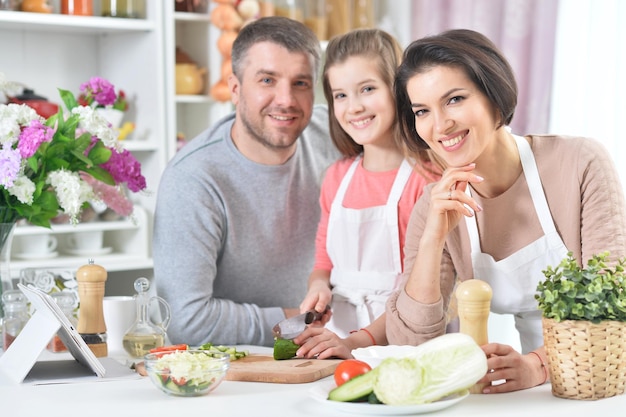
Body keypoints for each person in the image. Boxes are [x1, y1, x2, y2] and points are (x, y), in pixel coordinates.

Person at [385, 28, 626, 393]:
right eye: (422, 110)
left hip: (604, 376)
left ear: (494, 98)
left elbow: (615, 303)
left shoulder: (580, 163)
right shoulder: (435, 204)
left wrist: (538, 365)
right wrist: (433, 239)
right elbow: (410, 345)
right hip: (534, 392)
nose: (439, 125)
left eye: (454, 99)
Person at [152, 17, 340, 347]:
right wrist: (300, 320)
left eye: (301, 83)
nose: (286, 100)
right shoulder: (194, 179)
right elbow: (186, 321)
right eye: (267, 80)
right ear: (236, 90)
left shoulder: (338, 135)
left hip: (335, 351)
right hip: (237, 372)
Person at [294, 29, 439, 359]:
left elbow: (427, 289)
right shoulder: (337, 177)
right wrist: (319, 287)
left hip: (409, 347)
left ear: (399, 90)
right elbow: (323, 259)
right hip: (339, 344)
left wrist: (356, 343)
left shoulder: (428, 180)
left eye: (368, 89)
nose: (354, 107)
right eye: (341, 95)